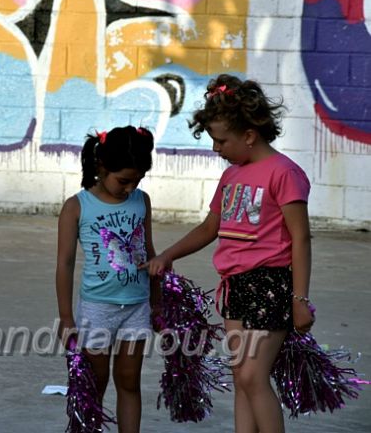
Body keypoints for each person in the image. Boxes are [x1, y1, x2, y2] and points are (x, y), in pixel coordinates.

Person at [145, 74, 315, 433]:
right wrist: (169, 254)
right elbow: (210, 228)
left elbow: (301, 239)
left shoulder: (284, 174)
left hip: (270, 286)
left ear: (250, 136)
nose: (216, 149)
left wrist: (300, 298)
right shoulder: (231, 177)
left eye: (221, 141)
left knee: (254, 376)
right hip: (234, 286)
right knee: (242, 376)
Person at [56, 126, 160, 433]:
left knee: (129, 381)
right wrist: (66, 317)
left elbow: (149, 251)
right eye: (124, 180)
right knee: (94, 384)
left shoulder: (142, 201)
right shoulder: (77, 206)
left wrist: (158, 302)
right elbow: (64, 263)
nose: (130, 188)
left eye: (137, 180)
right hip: (97, 310)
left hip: (136, 308)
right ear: (102, 167)